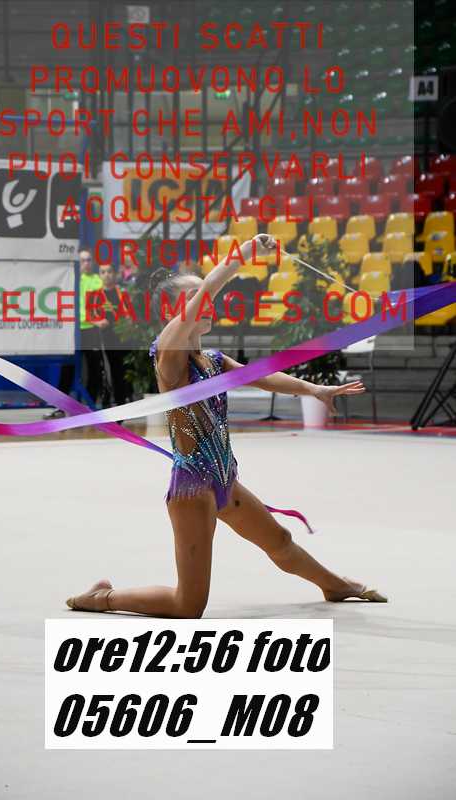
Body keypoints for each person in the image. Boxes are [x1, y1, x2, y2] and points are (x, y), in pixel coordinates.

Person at [66, 234, 387, 617]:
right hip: (192, 489)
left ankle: (334, 585)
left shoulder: (213, 360)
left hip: (223, 479)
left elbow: (262, 376)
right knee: (188, 606)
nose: (208, 304)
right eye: (196, 298)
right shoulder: (168, 356)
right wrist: (245, 253)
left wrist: (314, 389)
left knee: (280, 540)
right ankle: (104, 597)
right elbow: (208, 291)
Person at [44, 248, 107, 419]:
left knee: (94, 368)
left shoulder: (97, 281)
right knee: (67, 368)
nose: (86, 263)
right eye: (83, 260)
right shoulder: (69, 280)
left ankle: (91, 406)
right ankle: (59, 407)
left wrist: (97, 320)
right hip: (72, 332)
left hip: (90, 331)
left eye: (89, 260)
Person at [96, 264, 133, 406]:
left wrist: (129, 320)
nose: (107, 275)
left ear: (115, 274)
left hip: (124, 336)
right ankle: (118, 400)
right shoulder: (96, 295)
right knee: (113, 369)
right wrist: (98, 322)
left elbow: (131, 313)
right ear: (99, 275)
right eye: (103, 272)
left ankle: (128, 397)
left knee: (126, 368)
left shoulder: (122, 292)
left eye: (109, 271)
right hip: (107, 337)